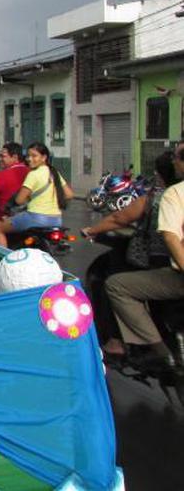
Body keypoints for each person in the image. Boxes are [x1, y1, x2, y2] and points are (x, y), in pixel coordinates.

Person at [82, 151, 179, 359]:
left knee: (115, 284)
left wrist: (91, 230)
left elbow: (118, 219)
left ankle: (121, 341)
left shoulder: (158, 198)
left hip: (160, 264)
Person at [103, 143, 184, 373]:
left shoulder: (171, 195)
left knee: (116, 285)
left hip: (169, 271)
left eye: (177, 157)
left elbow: (170, 236)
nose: (174, 162)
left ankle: (160, 352)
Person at [0, 142, 74, 246]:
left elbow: (19, 200)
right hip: (56, 220)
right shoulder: (54, 172)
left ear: (44, 157)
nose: (29, 159)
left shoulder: (33, 174)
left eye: (34, 156)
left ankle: (4, 255)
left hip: (35, 218)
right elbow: (69, 194)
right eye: (28, 156)